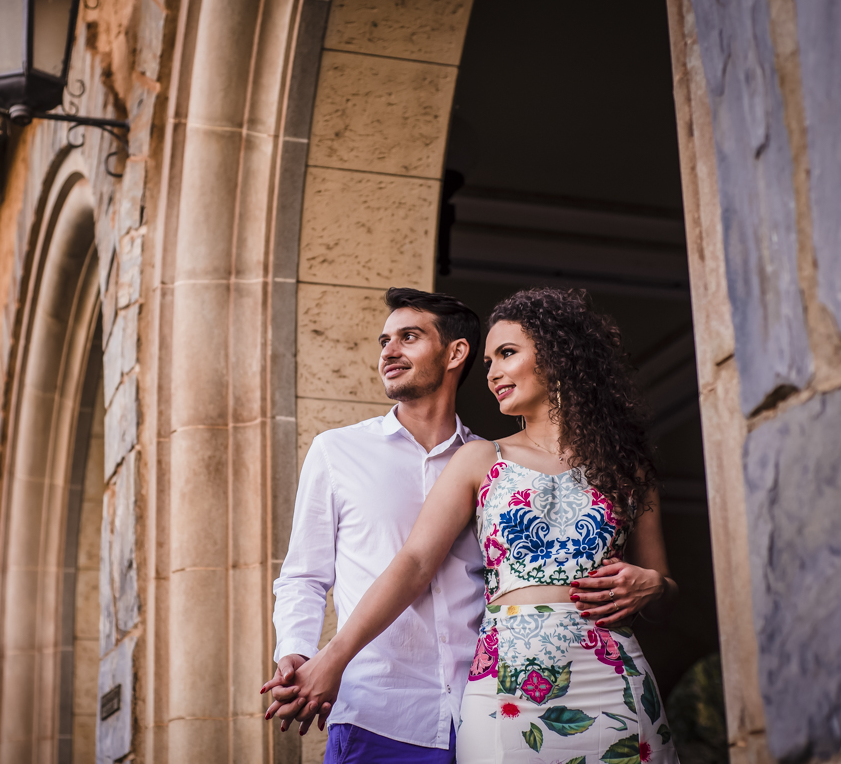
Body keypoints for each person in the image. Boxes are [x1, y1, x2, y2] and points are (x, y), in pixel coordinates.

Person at [265, 287, 681, 764]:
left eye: (506, 354)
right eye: (490, 362)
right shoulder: (480, 459)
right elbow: (409, 562)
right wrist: (321, 657)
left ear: (558, 354)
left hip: (610, 678)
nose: (494, 373)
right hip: (487, 690)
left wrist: (654, 586)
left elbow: (663, 592)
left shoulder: (629, 469)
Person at [267, 287, 488, 763]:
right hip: (377, 712)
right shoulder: (337, 451)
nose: (389, 350)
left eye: (409, 337)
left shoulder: (494, 465)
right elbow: (304, 575)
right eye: (384, 340)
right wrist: (298, 654)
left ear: (456, 352)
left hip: (486, 711)